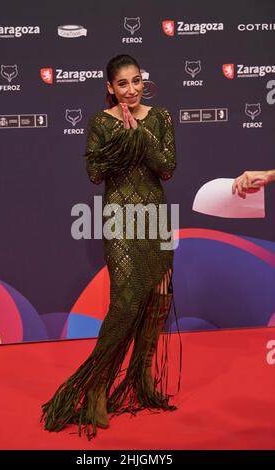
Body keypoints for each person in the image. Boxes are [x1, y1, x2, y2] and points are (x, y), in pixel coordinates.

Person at [40, 54, 178, 440]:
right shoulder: (101, 123)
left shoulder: (161, 116)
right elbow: (95, 173)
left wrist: (141, 134)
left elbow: (167, 167)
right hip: (120, 220)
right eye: (123, 84)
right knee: (124, 303)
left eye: (136, 82)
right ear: (110, 87)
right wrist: (124, 135)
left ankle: (141, 378)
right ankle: (97, 384)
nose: (131, 90)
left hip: (154, 218)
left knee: (158, 297)